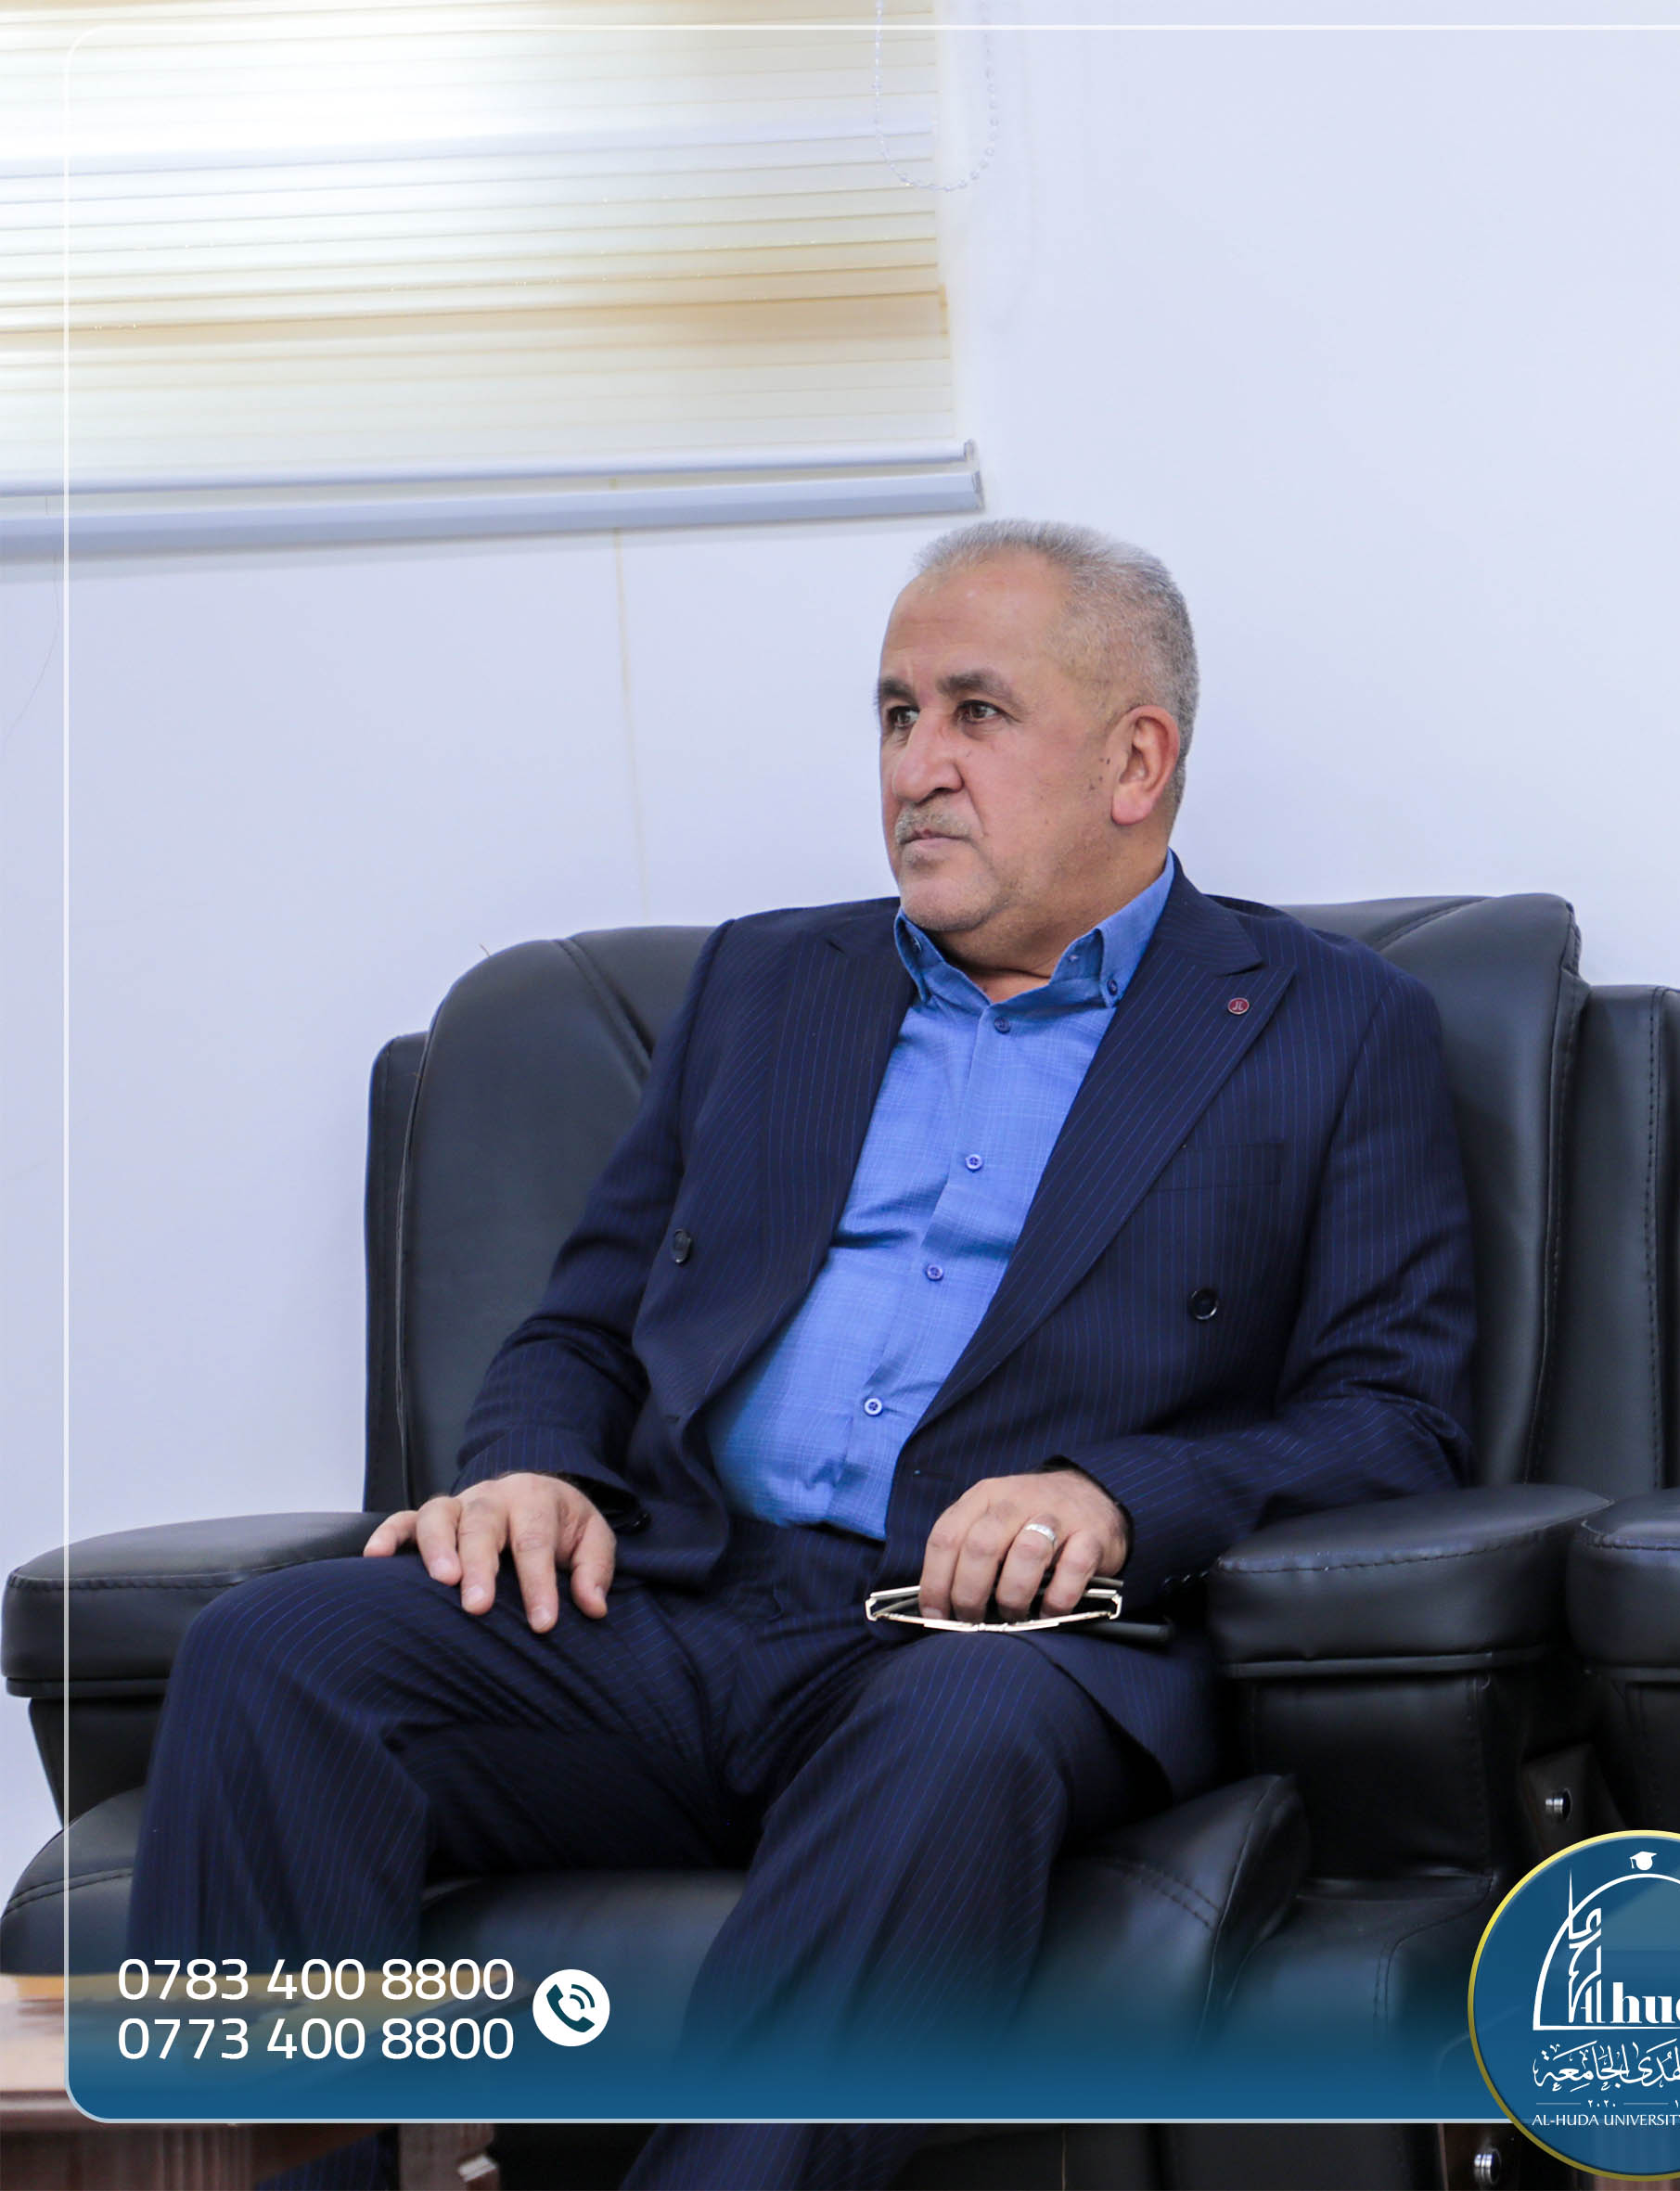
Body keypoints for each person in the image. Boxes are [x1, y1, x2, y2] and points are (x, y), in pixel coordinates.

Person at [126, 519, 1478, 2189]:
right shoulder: (771, 982)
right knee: (281, 1652)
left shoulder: (1328, 1022)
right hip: (682, 1605)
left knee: (954, 1734)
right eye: (896, 715)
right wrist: (527, 1465)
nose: (916, 767)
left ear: (1138, 761)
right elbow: (582, 1321)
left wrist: (1114, 1497)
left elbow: (1393, 1418)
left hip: (993, 1644)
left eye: (976, 712)